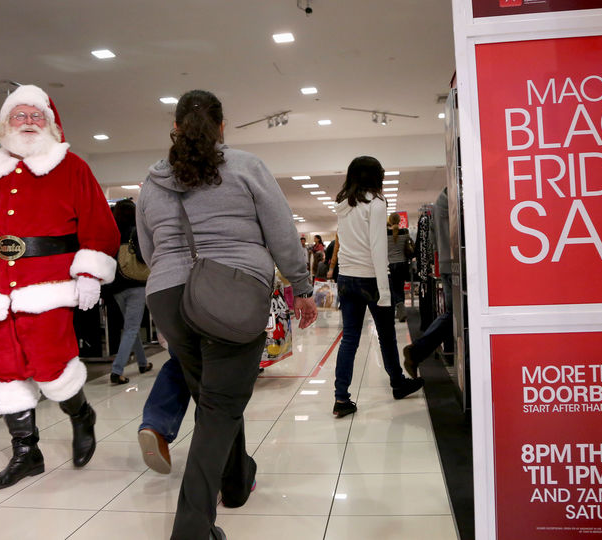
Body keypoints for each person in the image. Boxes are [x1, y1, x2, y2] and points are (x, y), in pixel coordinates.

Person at [135, 89, 317, 540]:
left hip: (167, 297)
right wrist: (303, 287)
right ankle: (192, 529)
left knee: (215, 400)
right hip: (229, 293)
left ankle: (236, 482)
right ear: (222, 127)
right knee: (218, 409)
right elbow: (280, 233)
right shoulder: (245, 166)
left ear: (175, 127)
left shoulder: (151, 180)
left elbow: (146, 249)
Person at [0, 84, 120, 490]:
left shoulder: (72, 168)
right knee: (6, 370)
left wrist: (89, 274)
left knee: (52, 367)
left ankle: (80, 413)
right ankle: (25, 453)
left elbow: (98, 226)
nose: (28, 122)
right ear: (5, 124)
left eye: (37, 116)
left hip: (49, 285)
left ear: (50, 124)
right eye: (20, 115)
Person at [331, 156, 424, 418]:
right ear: (376, 176)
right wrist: (384, 290)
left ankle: (341, 398)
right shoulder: (376, 203)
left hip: (346, 278)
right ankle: (397, 383)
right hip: (370, 278)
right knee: (386, 335)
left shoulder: (343, 204)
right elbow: (377, 247)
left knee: (349, 339)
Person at [404, 186, 455, 378]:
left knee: (454, 314)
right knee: (458, 315)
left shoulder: (440, 201)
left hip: (447, 262)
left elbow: (432, 239)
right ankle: (417, 351)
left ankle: (417, 352)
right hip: (459, 262)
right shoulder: (454, 197)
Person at [105, 199, 153, 384]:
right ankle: (117, 371)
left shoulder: (111, 232)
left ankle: (142, 363)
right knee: (132, 327)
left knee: (130, 327)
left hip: (116, 286)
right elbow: (143, 256)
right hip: (136, 284)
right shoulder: (137, 231)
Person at [386, 212, 413, 322]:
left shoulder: (385, 234)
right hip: (403, 264)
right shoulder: (405, 233)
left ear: (390, 221)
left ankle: (400, 308)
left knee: (393, 289)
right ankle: (400, 310)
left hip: (391, 265)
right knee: (400, 287)